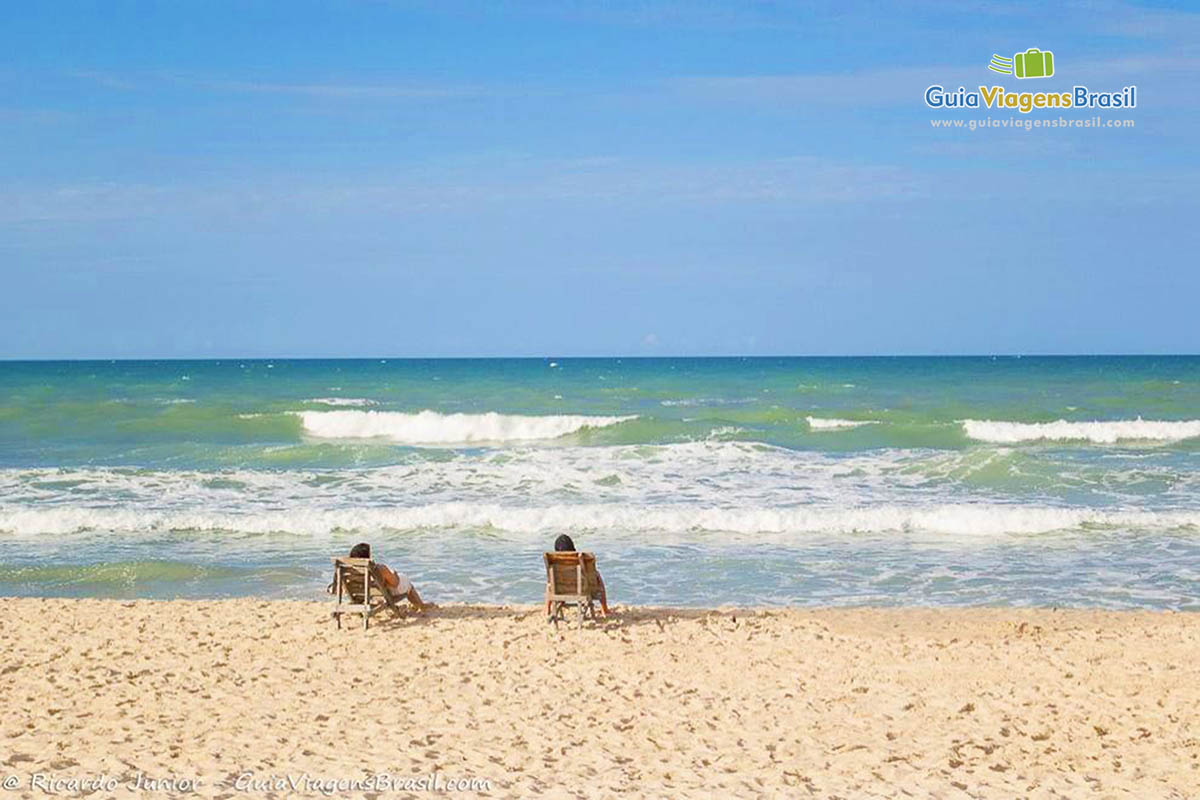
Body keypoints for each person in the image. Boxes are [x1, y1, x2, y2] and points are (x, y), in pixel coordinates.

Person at [348, 542, 432, 612]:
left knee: (399, 579)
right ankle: (421, 605)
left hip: (365, 593)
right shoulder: (379, 569)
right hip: (383, 593)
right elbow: (395, 584)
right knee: (406, 582)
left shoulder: (349, 571)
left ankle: (419, 605)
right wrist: (394, 574)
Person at [548, 534, 610, 616]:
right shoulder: (579, 560)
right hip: (582, 590)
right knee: (597, 575)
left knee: (550, 581)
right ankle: (604, 609)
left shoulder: (555, 562)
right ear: (572, 547)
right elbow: (593, 576)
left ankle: (547, 608)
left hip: (560, 590)